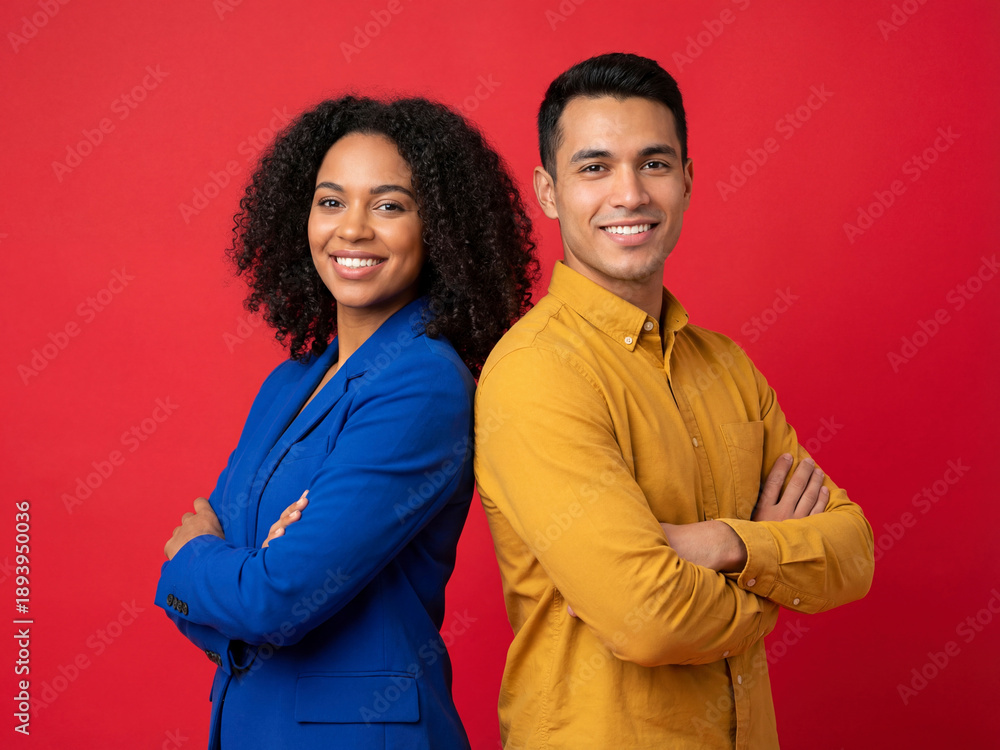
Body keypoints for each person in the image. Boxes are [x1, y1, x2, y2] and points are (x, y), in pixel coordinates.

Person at [474, 53, 874, 748]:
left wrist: (721, 543)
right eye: (595, 168)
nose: (630, 194)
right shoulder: (534, 373)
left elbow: (855, 552)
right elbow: (648, 619)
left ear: (687, 180)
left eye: (653, 164)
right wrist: (773, 577)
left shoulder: (727, 365)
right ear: (548, 191)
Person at [155, 95, 537, 750]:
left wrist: (205, 559)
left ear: (440, 229)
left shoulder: (425, 386)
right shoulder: (289, 384)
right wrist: (249, 574)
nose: (352, 229)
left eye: (388, 206)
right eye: (331, 201)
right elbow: (234, 598)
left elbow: (276, 597)